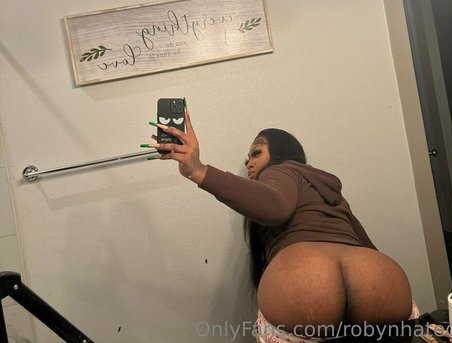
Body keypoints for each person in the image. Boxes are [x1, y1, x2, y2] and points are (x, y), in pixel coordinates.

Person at [145, 109, 416, 342]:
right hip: (377, 279)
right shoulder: (328, 188)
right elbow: (364, 243)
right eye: (247, 159)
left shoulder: (280, 170)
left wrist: (199, 171)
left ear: (282, 153)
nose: (249, 163)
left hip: (308, 287)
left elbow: (276, 208)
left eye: (256, 153)